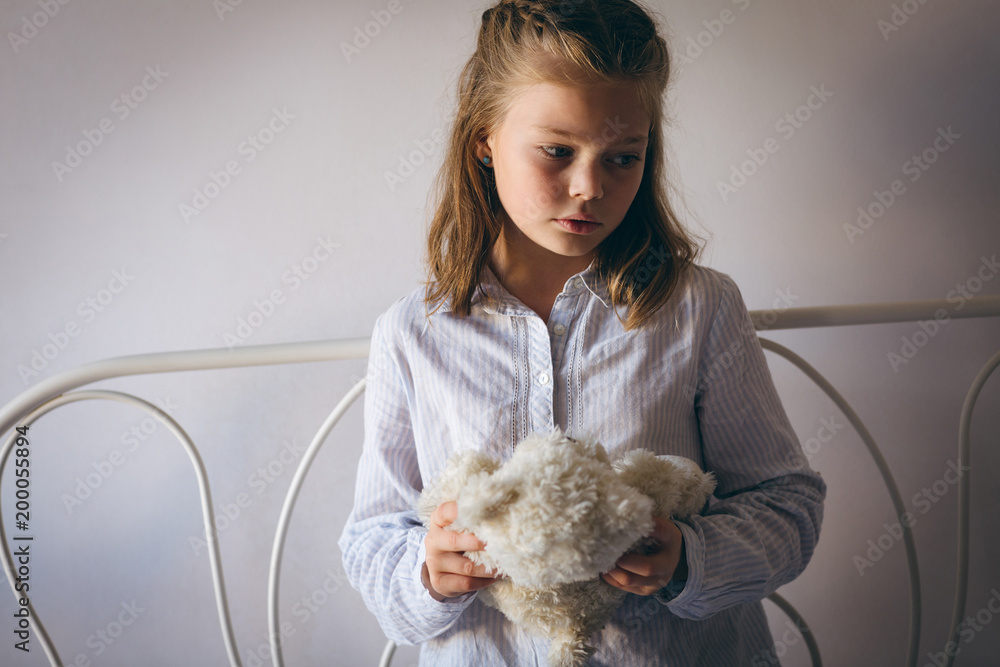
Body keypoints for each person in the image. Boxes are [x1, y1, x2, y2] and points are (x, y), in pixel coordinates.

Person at [338, 0, 826, 664]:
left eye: (622, 158)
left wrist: (689, 558)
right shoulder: (413, 334)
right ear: (484, 138)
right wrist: (427, 571)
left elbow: (787, 505)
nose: (589, 186)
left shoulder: (698, 308)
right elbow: (372, 538)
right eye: (557, 151)